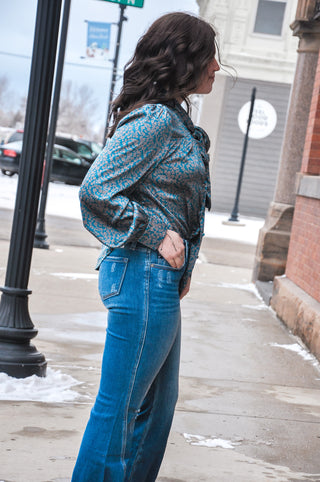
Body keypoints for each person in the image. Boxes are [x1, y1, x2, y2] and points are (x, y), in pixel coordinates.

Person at [72, 11, 220, 482]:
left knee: (155, 410)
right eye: (210, 56)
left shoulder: (172, 118)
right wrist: (156, 233)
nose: (217, 67)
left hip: (157, 280)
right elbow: (96, 189)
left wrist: (186, 262)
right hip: (140, 274)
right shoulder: (155, 120)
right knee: (119, 411)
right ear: (186, 59)